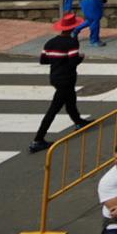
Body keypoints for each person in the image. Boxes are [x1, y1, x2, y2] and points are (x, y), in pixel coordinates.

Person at [31, 11, 91, 153]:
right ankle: (38, 140)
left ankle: (78, 121)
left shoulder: (50, 42)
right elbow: (72, 62)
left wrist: (57, 60)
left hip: (55, 77)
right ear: (72, 29)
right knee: (54, 109)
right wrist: (80, 57)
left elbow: (43, 60)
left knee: (71, 100)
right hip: (67, 78)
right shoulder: (71, 43)